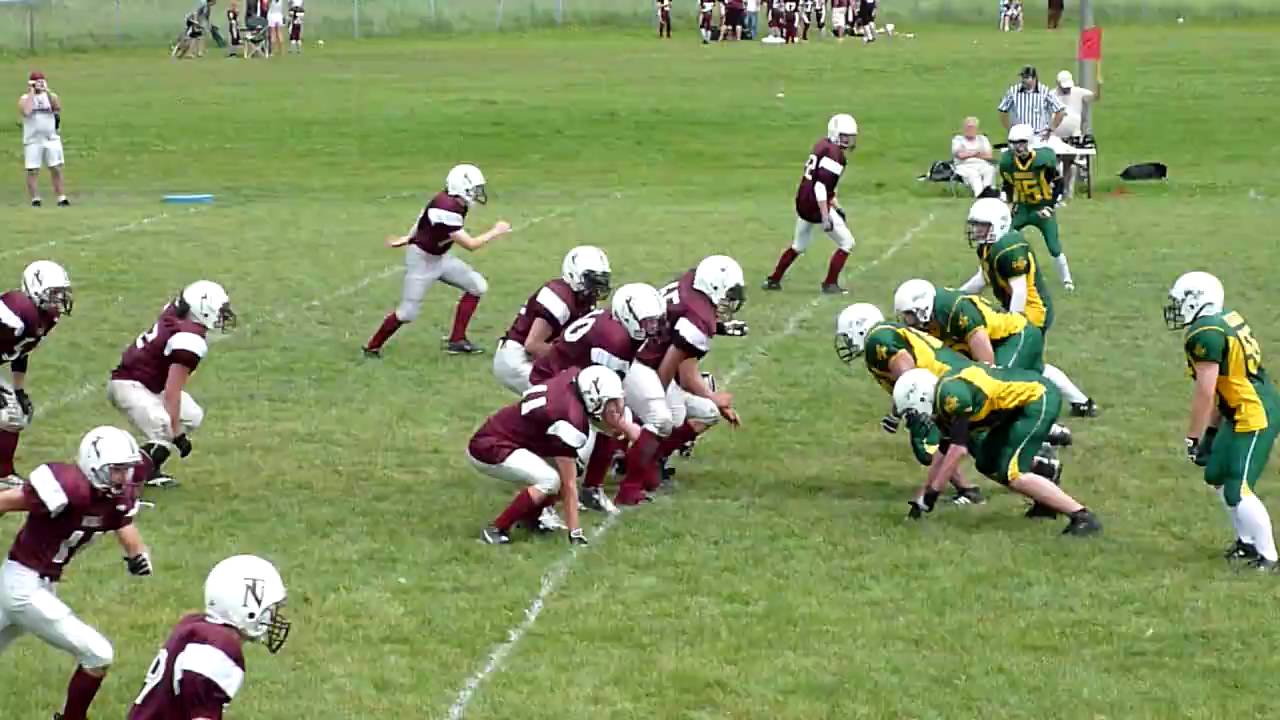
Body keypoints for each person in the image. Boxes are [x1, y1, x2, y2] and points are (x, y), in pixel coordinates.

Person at [0, 426, 153, 720]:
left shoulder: (113, 497)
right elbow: (5, 501)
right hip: (23, 585)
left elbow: (122, 521)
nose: (124, 478)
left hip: (40, 584)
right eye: (117, 470)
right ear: (94, 466)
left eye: (127, 469)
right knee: (98, 654)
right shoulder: (68, 487)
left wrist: (137, 553)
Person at [894, 367, 1100, 534]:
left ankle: (1082, 516)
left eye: (911, 413)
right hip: (1015, 409)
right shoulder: (943, 399)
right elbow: (944, 450)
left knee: (1013, 473)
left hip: (1036, 399)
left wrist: (933, 493)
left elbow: (958, 450)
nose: (913, 419)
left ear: (921, 397)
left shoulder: (952, 396)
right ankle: (1045, 487)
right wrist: (923, 497)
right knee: (988, 462)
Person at [1165, 272, 1280, 570]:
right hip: (1239, 407)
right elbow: (1224, 385)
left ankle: (1269, 556)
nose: (1176, 308)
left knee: (1237, 488)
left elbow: (1206, 390)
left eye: (1180, 301)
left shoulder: (1205, 334)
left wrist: (1193, 436)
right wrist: (1213, 432)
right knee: (1216, 473)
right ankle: (1246, 542)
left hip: (1253, 412)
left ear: (1197, 300)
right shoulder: (1222, 319)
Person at [616, 256, 745, 506]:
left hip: (645, 352)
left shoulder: (690, 283)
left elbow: (675, 323)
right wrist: (714, 398)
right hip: (638, 362)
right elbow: (678, 373)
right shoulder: (698, 319)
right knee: (667, 420)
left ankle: (650, 458)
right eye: (728, 294)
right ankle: (629, 468)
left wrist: (720, 328)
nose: (730, 301)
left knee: (704, 413)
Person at [957, 198, 1098, 417]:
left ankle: (1022, 409)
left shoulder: (1010, 247)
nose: (976, 230)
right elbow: (983, 278)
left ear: (999, 224)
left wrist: (1013, 323)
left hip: (1033, 312)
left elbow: (1020, 289)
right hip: (1018, 310)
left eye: (982, 225)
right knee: (1031, 365)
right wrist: (957, 295)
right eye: (975, 225)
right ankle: (1081, 402)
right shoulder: (989, 247)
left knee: (1012, 365)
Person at [834, 303, 985, 504]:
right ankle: (1019, 472)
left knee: (929, 444)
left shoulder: (878, 341)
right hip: (954, 380)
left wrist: (914, 409)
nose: (847, 342)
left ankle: (967, 490)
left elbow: (910, 377)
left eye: (847, 336)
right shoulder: (883, 334)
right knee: (979, 443)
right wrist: (895, 414)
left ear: (859, 328)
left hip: (947, 386)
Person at [470, 365, 627, 545]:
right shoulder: (569, 419)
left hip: (511, 436)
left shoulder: (573, 379)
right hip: (491, 446)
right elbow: (569, 484)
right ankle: (496, 528)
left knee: (567, 472)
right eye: (610, 404)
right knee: (550, 480)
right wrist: (575, 532)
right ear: (593, 398)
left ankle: (530, 518)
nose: (615, 410)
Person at [363, 164, 508, 358]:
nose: (477, 193)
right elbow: (470, 244)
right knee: (407, 313)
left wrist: (407, 237)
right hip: (422, 261)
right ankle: (372, 347)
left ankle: (457, 340)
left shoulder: (452, 201)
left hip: (440, 257)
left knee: (477, 286)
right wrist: (496, 231)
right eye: (474, 189)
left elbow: (422, 217)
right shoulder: (446, 208)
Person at [128, 555, 291, 719]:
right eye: (270, 609)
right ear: (248, 608)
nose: (273, 616)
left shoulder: (196, 627)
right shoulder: (219, 647)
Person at [108, 281, 235, 488]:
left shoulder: (176, 313)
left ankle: (148, 466)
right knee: (165, 428)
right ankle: (121, 481)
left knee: (192, 416)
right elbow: (172, 393)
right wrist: (177, 436)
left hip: (148, 383)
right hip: (129, 385)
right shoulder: (189, 340)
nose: (223, 316)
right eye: (220, 310)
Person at [492, 246, 611, 395]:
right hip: (518, 358)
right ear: (574, 274)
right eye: (592, 280)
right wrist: (571, 359)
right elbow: (533, 345)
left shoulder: (583, 298)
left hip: (534, 358)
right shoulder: (558, 298)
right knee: (564, 398)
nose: (597, 286)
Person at [763, 113, 858, 295]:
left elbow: (824, 184)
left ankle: (773, 280)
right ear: (835, 133)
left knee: (798, 246)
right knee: (847, 243)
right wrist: (825, 215)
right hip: (815, 205)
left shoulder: (823, 144)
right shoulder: (835, 155)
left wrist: (836, 206)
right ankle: (830, 283)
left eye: (850, 137)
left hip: (804, 202)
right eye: (844, 136)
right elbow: (821, 186)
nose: (848, 141)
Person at [0, 261, 72, 489]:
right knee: (6, 413)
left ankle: (3, 474)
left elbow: (21, 351)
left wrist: (19, 389)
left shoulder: (45, 317)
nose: (59, 300)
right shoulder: (15, 312)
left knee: (14, 415)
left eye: (61, 293)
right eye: (53, 293)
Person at [894, 279, 1047, 374]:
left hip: (1014, 335)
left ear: (923, 308)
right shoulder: (933, 318)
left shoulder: (954, 309)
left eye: (908, 314)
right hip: (997, 342)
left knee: (998, 383)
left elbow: (986, 361)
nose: (906, 320)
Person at [1000, 124, 1074, 289]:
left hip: (1042, 208)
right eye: (1014, 143)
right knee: (1002, 237)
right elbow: (1007, 185)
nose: (1018, 147)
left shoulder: (1043, 159)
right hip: (1022, 207)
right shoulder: (1007, 161)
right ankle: (1001, 273)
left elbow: (1059, 183)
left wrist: (1050, 206)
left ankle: (1067, 280)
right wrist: (1008, 204)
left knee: (1054, 246)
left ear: (1030, 142)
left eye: (1021, 143)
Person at [19, 72, 68, 208]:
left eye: (41, 81)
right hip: (33, 140)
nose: (39, 84)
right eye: (37, 82)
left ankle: (61, 197)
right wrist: (32, 92)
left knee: (56, 168)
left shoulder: (51, 96)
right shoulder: (24, 98)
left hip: (51, 138)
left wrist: (46, 91)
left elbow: (57, 107)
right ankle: (35, 199)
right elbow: (26, 111)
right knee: (32, 170)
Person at [997, 66, 1066, 140]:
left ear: (1034, 78)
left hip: (1039, 136)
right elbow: (1002, 109)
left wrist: (1051, 129)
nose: (1023, 80)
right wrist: (1009, 128)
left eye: (1026, 78)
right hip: (1019, 136)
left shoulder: (1044, 91)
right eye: (1022, 77)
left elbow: (1060, 110)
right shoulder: (1013, 91)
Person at [950, 117, 995, 197]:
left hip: (982, 164)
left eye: (972, 127)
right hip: (964, 165)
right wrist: (977, 153)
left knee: (990, 169)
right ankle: (979, 195)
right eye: (968, 127)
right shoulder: (958, 140)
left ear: (976, 129)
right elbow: (960, 155)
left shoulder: (983, 139)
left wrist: (969, 153)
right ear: (964, 128)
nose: (970, 130)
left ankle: (988, 193)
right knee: (973, 174)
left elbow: (989, 156)